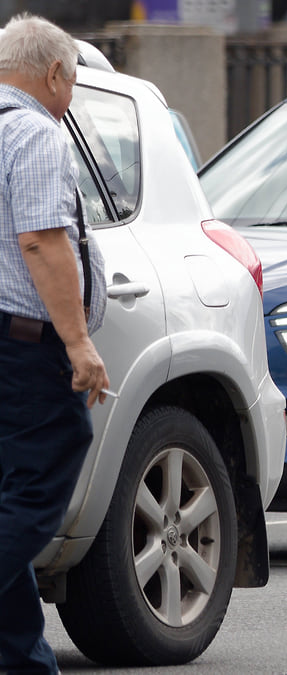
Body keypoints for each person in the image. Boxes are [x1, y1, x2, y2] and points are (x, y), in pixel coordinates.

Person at [0, 13, 109, 673]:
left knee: (7, 494)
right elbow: (41, 239)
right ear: (55, 74)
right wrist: (78, 344)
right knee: (41, 482)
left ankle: (23, 660)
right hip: (23, 344)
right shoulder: (36, 131)